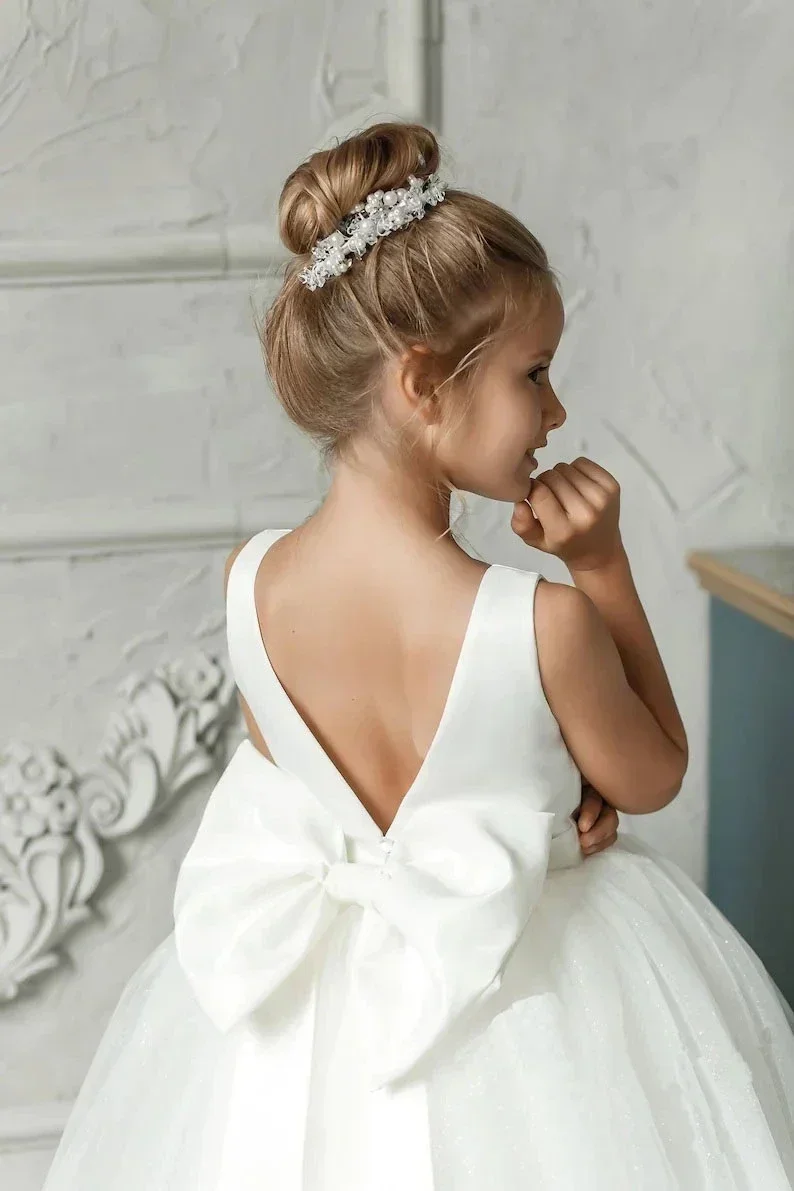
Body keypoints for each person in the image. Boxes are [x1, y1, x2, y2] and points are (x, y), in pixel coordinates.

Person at [41, 121, 794, 1190]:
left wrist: (522, 810)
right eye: (533, 374)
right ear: (420, 383)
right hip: (535, 1008)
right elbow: (652, 772)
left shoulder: (250, 586)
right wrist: (602, 569)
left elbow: (307, 802)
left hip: (302, 1032)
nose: (555, 409)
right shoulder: (543, 621)